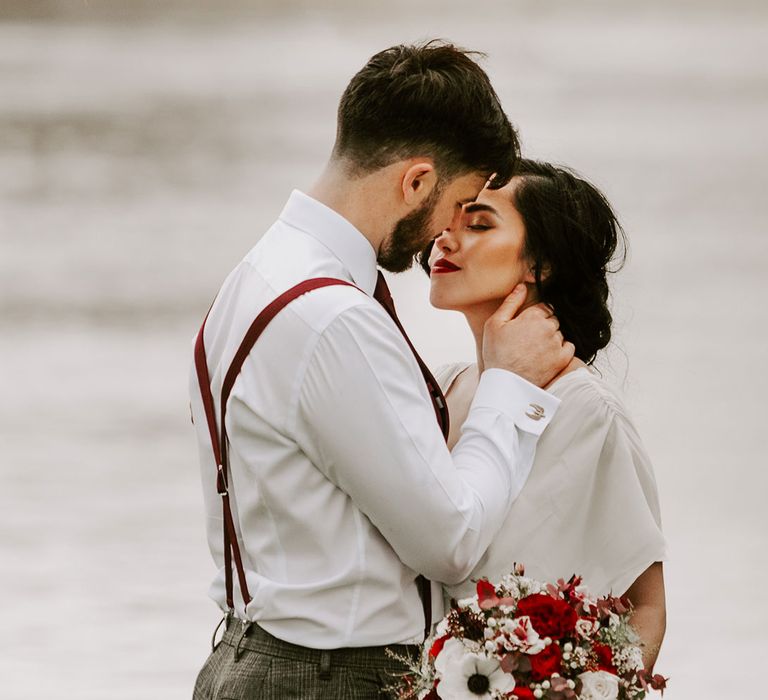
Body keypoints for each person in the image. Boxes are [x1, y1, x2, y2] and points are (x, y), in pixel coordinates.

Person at [189, 44, 574, 699]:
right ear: (416, 181)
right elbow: (448, 539)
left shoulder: (258, 273)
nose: (448, 234)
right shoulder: (332, 318)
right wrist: (509, 386)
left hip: (262, 657)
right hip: (325, 678)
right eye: (457, 204)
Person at [423, 158, 668, 669]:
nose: (444, 240)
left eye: (479, 224)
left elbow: (644, 605)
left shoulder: (589, 411)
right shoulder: (440, 390)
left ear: (540, 264)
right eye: (448, 221)